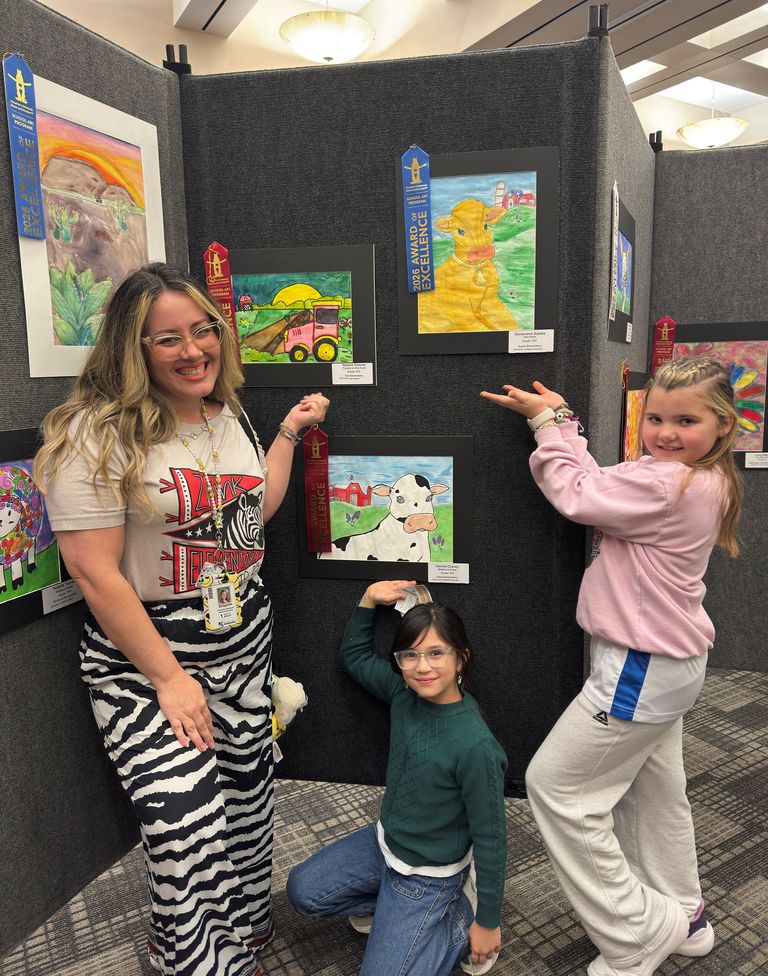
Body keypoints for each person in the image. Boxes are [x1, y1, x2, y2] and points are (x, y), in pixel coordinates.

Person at [36, 263, 329, 976]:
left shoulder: (226, 414)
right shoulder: (92, 433)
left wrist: (286, 435)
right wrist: (168, 678)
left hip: (241, 641)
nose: (193, 350)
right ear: (131, 349)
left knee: (245, 800)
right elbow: (95, 572)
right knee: (182, 824)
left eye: (203, 330)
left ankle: (242, 933)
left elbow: (248, 518)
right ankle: (192, 958)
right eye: (167, 338)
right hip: (149, 658)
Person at [481, 357, 742, 976]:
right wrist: (563, 420)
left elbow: (580, 493)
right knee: (654, 795)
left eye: (686, 420)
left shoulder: (670, 483)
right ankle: (686, 915)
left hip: (639, 668)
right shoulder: (692, 477)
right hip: (667, 662)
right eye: (655, 418)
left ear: (723, 426)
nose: (666, 432)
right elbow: (607, 481)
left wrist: (550, 427)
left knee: (558, 788)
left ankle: (635, 934)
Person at [285, 580, 508, 976]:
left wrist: (487, 923)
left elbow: (492, 839)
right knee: (302, 892)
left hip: (427, 877)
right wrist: (368, 600)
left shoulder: (477, 747)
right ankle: (389, 908)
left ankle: (459, 916)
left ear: (461, 659)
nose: (422, 667)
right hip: (383, 844)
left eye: (437, 653)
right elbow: (352, 657)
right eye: (410, 655)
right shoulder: (403, 694)